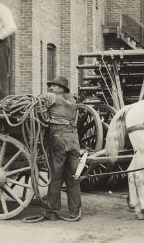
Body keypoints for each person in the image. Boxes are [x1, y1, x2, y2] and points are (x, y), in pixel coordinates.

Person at [41, 76, 82, 220]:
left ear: (62, 88)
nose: (51, 87)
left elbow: (36, 105)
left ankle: (52, 211)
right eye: (51, 85)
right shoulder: (73, 101)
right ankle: (75, 212)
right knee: (73, 177)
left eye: (55, 85)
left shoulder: (51, 97)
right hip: (73, 138)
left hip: (58, 136)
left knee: (56, 175)